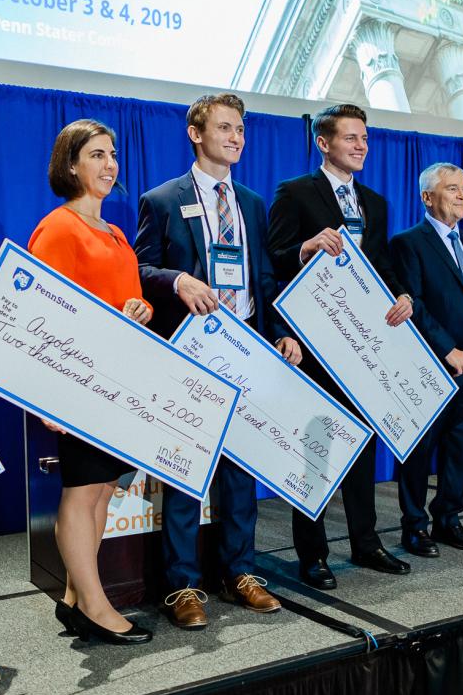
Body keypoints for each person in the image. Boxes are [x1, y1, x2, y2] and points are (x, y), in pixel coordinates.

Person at [135, 93, 298, 629]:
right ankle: (182, 584)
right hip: (191, 348)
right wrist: (178, 280)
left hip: (246, 344)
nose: (235, 138)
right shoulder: (162, 199)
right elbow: (140, 268)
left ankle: (240, 572)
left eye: (240, 130)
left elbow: (265, 279)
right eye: (225, 128)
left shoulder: (251, 202)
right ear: (196, 134)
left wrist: (280, 333)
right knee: (188, 467)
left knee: (240, 469)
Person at [267, 103, 414, 589]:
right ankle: (312, 555)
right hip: (313, 343)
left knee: (363, 449)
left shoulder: (375, 201)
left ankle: (366, 543)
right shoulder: (295, 193)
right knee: (314, 448)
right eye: (351, 138)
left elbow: (383, 268)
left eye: (365, 139)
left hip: (362, 346)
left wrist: (402, 295)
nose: (361, 146)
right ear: (323, 143)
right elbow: (272, 262)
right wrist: (304, 248)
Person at [28, 119, 154, 646]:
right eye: (97, 155)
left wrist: (141, 308)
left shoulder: (116, 231)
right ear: (71, 164)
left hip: (115, 380)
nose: (109, 165)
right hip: (77, 381)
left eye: (112, 154)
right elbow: (40, 314)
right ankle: (97, 607)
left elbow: (126, 297)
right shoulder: (58, 228)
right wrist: (47, 394)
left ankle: (77, 600)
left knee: (102, 489)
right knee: (81, 493)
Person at [389, 163, 463, 556]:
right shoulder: (408, 242)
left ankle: (449, 519)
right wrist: (448, 350)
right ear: (426, 197)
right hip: (430, 367)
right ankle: (414, 526)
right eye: (452, 188)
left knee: (459, 448)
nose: (462, 195)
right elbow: (413, 302)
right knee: (420, 452)